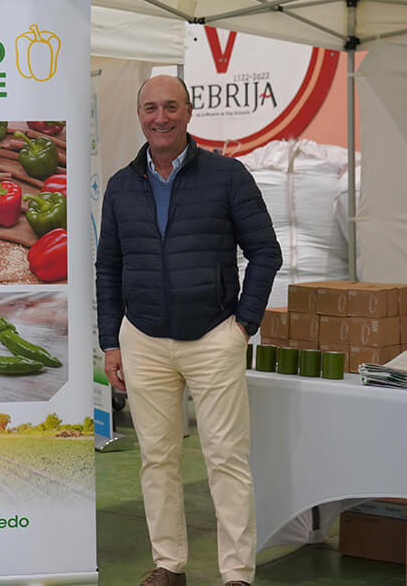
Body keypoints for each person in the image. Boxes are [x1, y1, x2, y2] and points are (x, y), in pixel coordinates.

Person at [95, 75, 282, 586]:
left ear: (189, 112)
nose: (161, 117)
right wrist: (111, 341)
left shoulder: (227, 176)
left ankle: (237, 575)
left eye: (171, 107)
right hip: (143, 339)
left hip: (213, 335)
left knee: (225, 458)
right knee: (157, 458)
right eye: (151, 108)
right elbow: (108, 268)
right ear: (139, 116)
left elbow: (266, 252)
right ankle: (169, 565)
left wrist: (243, 324)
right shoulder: (120, 185)